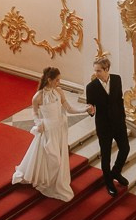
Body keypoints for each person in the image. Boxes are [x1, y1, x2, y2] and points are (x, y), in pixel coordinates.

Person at [12, 67, 92, 202]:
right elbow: (35, 113)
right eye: (57, 80)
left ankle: (56, 182)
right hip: (48, 130)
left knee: (58, 158)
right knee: (52, 158)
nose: (59, 83)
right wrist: (38, 123)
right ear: (49, 80)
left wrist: (84, 109)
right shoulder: (38, 96)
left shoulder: (59, 92)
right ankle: (46, 181)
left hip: (59, 129)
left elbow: (69, 108)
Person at [85, 56, 130, 197]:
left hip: (118, 123)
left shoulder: (117, 79)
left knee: (125, 148)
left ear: (107, 69)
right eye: (95, 71)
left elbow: (119, 100)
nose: (96, 73)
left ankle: (116, 171)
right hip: (104, 125)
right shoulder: (91, 87)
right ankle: (108, 182)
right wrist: (91, 111)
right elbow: (90, 106)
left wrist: (122, 117)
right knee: (105, 155)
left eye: (98, 71)